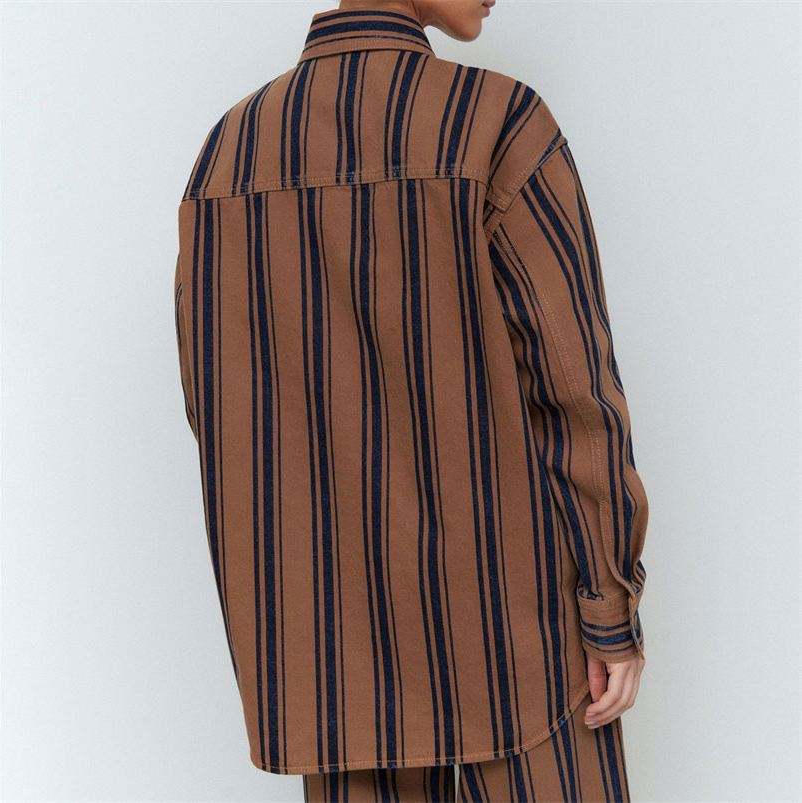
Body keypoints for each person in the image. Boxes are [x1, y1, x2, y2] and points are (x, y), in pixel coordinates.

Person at [173, 0, 649, 799]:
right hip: (516, 629)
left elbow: (214, 404)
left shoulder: (230, 151)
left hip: (331, 647)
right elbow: (574, 389)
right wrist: (608, 603)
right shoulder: (495, 121)